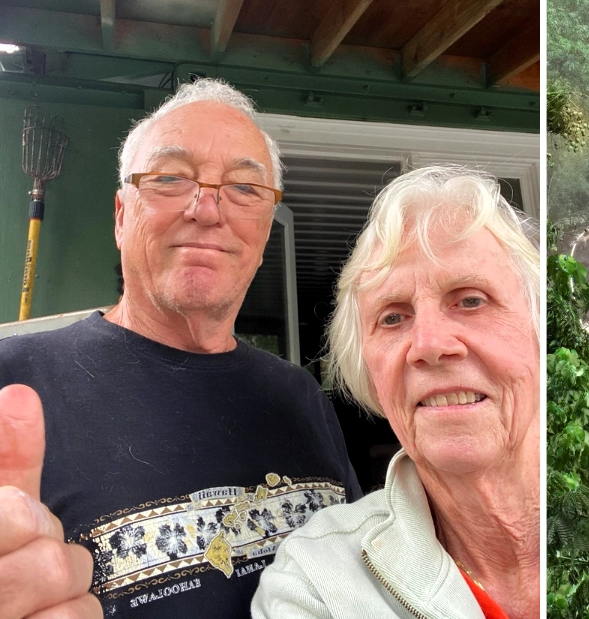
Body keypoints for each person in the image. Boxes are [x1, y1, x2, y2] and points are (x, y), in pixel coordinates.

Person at [0, 79, 360, 619]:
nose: (208, 209)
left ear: (264, 230)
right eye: (170, 178)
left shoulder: (300, 395)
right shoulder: (15, 385)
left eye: (244, 188)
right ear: (121, 216)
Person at [252, 166, 541, 618]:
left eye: (470, 300)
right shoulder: (317, 581)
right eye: (392, 317)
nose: (428, 345)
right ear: (369, 370)